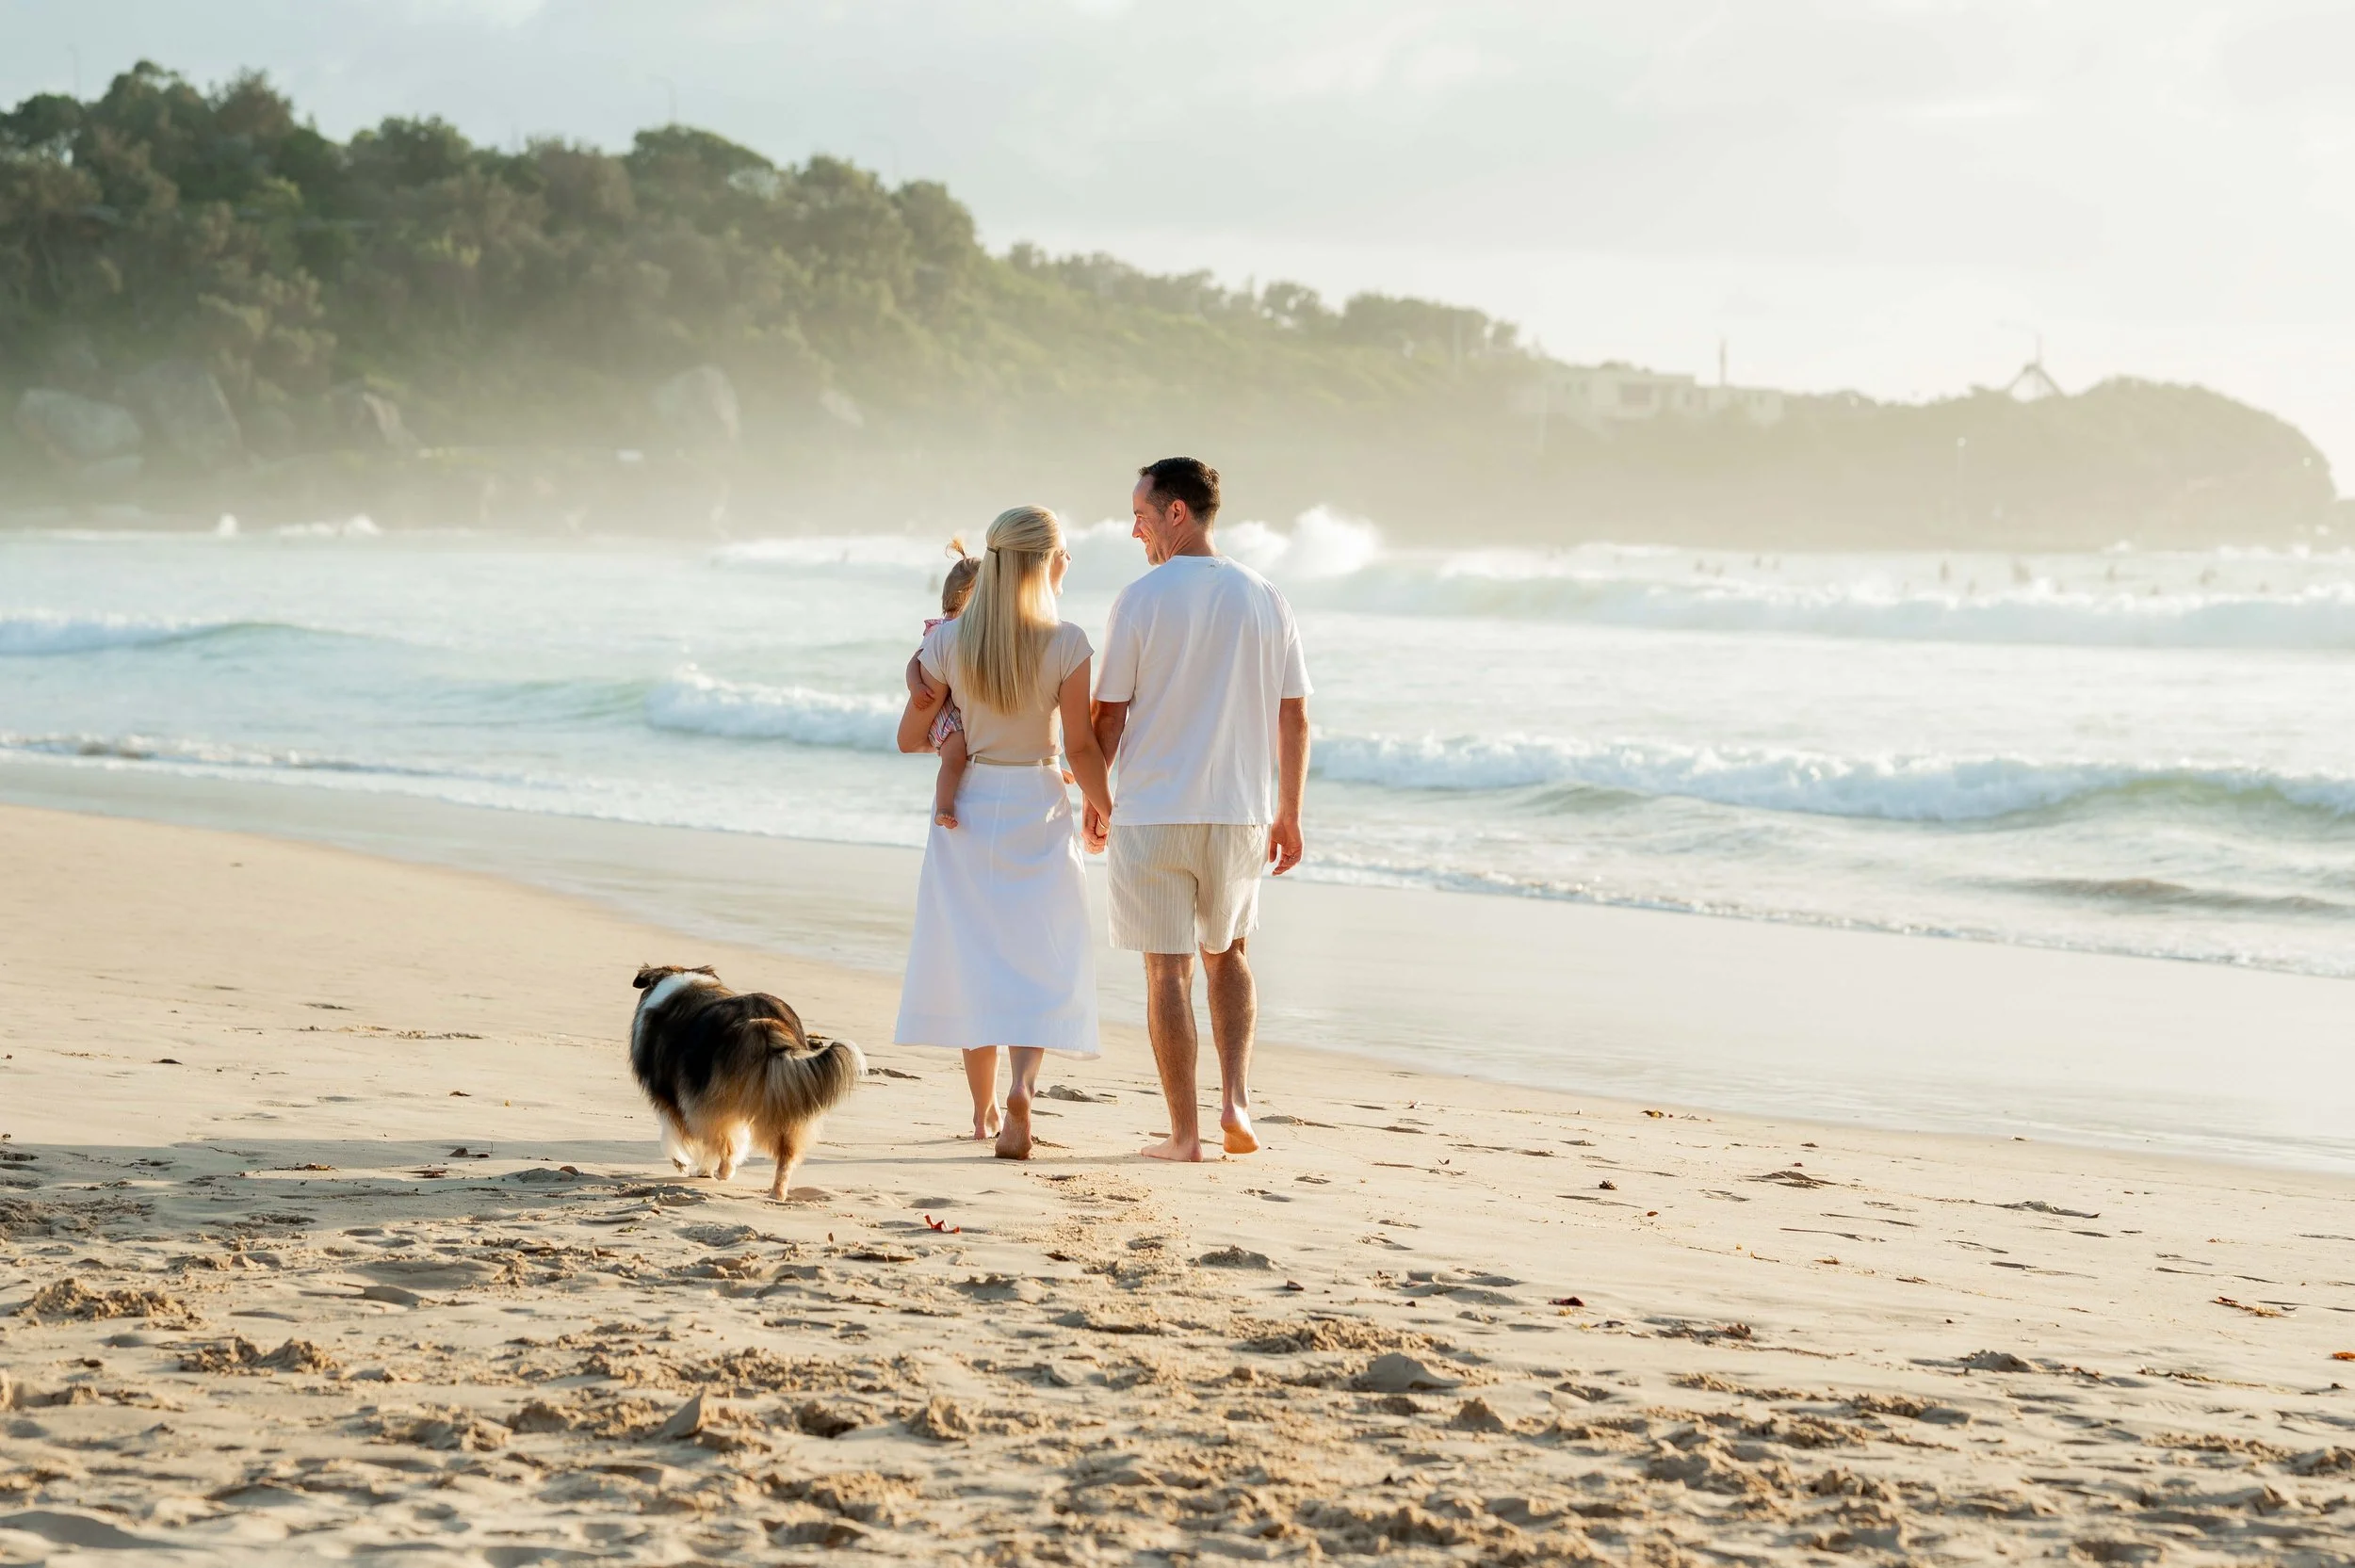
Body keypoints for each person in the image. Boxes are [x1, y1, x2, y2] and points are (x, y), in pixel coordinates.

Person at [1087, 458, 1311, 1163]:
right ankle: (1236, 1102)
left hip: (1154, 813)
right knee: (1230, 955)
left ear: (1176, 512)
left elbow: (1109, 718)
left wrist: (1098, 803)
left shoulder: (1142, 598)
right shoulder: (1266, 595)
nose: (1134, 529)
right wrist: (1289, 812)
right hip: (1239, 812)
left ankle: (1184, 1136)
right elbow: (1296, 715)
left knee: (1165, 971)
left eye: (1141, 514)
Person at [893, 506, 1115, 1158]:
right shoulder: (1068, 643)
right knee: (1037, 957)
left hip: (969, 804)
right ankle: (1023, 1087)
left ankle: (984, 1111)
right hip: (1038, 802)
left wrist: (951, 733)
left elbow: (909, 737)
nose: (1068, 562)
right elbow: (1078, 746)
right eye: (1064, 553)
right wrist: (1108, 808)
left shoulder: (951, 642)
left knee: (975, 957)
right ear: (1045, 563)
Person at [905, 542, 982, 829]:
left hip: (955, 713)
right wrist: (915, 687)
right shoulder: (943, 633)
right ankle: (945, 806)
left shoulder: (952, 631)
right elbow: (913, 662)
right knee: (955, 756)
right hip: (946, 720)